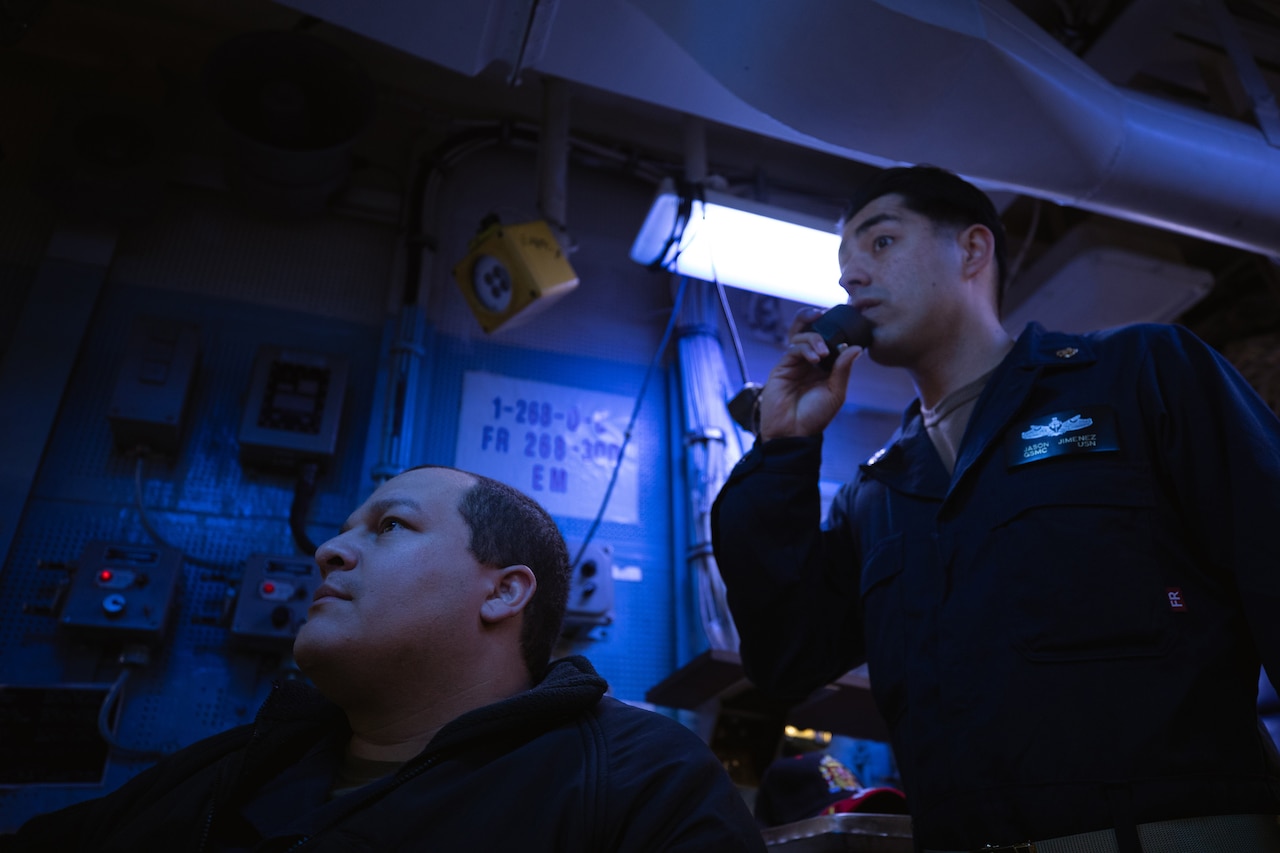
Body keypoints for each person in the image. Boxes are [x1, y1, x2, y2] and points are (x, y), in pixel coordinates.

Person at [711, 165, 1280, 852]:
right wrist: (782, 447)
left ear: (972, 251)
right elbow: (786, 659)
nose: (851, 278)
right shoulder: (878, 494)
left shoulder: (1138, 375)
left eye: (881, 242)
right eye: (843, 265)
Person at [9, 465, 766, 852]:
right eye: (342, 531)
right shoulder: (237, 761)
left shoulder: (643, 781)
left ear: (504, 592)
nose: (329, 551)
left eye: (389, 525)